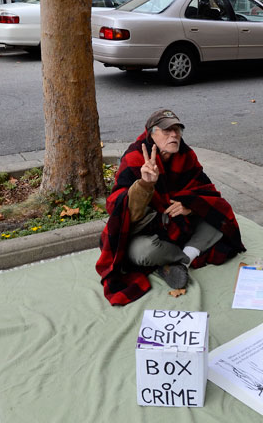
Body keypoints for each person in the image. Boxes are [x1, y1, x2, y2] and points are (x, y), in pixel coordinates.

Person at [96, 108, 245, 305]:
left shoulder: (186, 155)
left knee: (220, 218)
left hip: (180, 223)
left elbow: (207, 191)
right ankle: (185, 257)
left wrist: (190, 206)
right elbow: (121, 211)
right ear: (152, 134)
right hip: (147, 231)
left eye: (177, 130)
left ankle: (177, 261)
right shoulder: (134, 157)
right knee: (143, 253)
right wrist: (145, 184)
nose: (174, 135)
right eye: (167, 131)